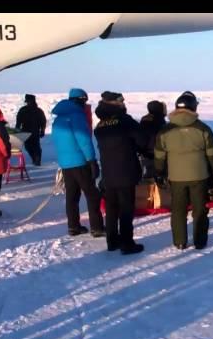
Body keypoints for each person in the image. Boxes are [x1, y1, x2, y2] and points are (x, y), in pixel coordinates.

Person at [154, 91, 213, 250]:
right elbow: (212, 152)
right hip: (199, 175)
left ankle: (180, 241)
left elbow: (159, 155)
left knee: (178, 210)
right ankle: (199, 240)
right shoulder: (202, 128)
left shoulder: (165, 131)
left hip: (176, 177)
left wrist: (159, 172)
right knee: (200, 210)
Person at [94, 91, 149, 254]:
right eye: (121, 102)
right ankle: (127, 243)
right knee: (126, 209)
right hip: (126, 170)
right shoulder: (125, 121)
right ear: (116, 104)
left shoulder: (100, 125)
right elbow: (142, 140)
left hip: (108, 172)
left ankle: (112, 241)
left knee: (111, 208)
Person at [52, 88, 105, 237]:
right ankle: (97, 227)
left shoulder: (58, 118)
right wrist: (91, 160)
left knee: (72, 196)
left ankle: (73, 226)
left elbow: (56, 141)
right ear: (81, 100)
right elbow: (84, 139)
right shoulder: (76, 115)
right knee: (92, 194)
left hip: (66, 163)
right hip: (80, 161)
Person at [15, 94, 47, 166]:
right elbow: (43, 122)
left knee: (29, 146)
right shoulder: (38, 110)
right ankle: (36, 159)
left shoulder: (23, 110)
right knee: (34, 146)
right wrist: (42, 130)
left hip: (26, 132)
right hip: (34, 132)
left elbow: (18, 122)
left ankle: (35, 159)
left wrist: (17, 130)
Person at [139, 100, 167, 178]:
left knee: (148, 176)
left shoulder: (144, 120)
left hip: (146, 153)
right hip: (159, 154)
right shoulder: (160, 121)